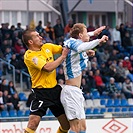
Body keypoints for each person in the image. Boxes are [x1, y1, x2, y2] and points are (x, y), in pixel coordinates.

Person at [60, 23, 108, 133]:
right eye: (86, 33)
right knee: (75, 128)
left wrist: (93, 33)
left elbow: (82, 43)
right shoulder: (72, 43)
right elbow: (81, 46)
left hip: (76, 91)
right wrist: (98, 40)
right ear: (81, 35)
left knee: (82, 128)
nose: (88, 35)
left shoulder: (75, 43)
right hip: (71, 92)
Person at [22, 29, 70, 133]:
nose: (41, 37)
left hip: (55, 91)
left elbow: (66, 49)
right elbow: (48, 67)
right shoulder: (30, 56)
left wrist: (86, 51)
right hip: (41, 93)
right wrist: (62, 57)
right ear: (30, 41)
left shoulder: (47, 47)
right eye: (37, 36)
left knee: (66, 125)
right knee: (33, 124)